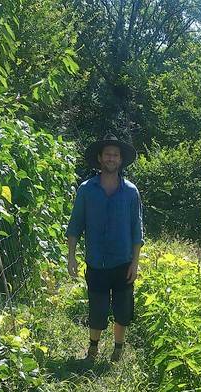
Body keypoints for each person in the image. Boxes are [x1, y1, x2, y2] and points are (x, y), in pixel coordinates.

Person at [66, 134, 144, 362]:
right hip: (96, 261)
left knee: (122, 309)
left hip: (123, 262)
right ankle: (93, 349)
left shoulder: (131, 192)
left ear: (120, 160)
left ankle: (118, 350)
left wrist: (135, 263)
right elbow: (75, 224)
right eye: (108, 154)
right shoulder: (86, 190)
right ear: (100, 158)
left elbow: (137, 229)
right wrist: (71, 257)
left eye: (116, 155)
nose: (111, 158)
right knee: (97, 308)